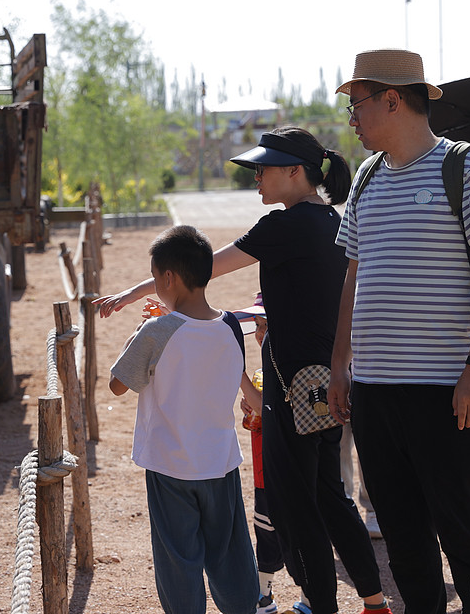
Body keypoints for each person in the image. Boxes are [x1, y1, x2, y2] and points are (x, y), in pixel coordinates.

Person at [100, 127, 391, 614]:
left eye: (264, 169)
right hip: (330, 378)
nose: (256, 178)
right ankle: (374, 599)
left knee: (295, 508)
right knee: (330, 495)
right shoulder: (331, 221)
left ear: (295, 172)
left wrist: (131, 295)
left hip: (292, 383)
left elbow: (198, 270)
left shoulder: (283, 226)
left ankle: (321, 604)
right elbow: (312, 303)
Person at [328, 49, 470, 613]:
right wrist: (341, 366)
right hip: (376, 395)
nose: (351, 120)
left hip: (447, 393)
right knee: (405, 546)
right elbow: (352, 279)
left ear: (391, 98)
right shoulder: (365, 178)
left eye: (357, 104)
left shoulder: (468, 167)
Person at [108, 224, 261, 614]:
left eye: (157, 278)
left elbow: (118, 385)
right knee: (229, 553)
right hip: (220, 463)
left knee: (179, 559)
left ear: (168, 278)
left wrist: (145, 330)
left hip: (169, 466)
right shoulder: (229, 325)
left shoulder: (157, 330)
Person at [236, 293, 290, 614]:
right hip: (263, 467)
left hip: (280, 469)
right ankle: (264, 594)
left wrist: (240, 379)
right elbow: (257, 412)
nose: (260, 333)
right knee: (265, 529)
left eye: (265, 325)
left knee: (282, 530)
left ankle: (310, 597)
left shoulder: (288, 364)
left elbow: (270, 412)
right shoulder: (269, 363)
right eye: (257, 325)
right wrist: (250, 402)